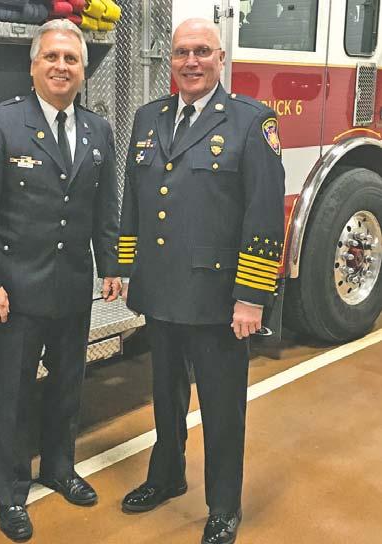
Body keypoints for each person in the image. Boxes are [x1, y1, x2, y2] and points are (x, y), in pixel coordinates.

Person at [118, 18, 285, 544]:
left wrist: (251, 297)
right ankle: (166, 476)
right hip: (161, 289)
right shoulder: (148, 118)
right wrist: (128, 268)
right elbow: (134, 200)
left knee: (221, 408)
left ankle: (223, 506)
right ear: (170, 60)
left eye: (202, 52)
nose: (190, 62)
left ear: (220, 58)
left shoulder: (251, 122)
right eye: (181, 52)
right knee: (165, 396)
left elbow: (264, 215)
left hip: (218, 299)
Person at [0, 19, 121, 542]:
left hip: (73, 286)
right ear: (33, 66)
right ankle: (11, 492)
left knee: (68, 386)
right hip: (16, 291)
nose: (61, 67)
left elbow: (104, 207)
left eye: (71, 59)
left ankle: (59, 467)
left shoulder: (98, 130)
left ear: (83, 71)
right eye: (51, 57)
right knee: (13, 396)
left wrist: (111, 265)